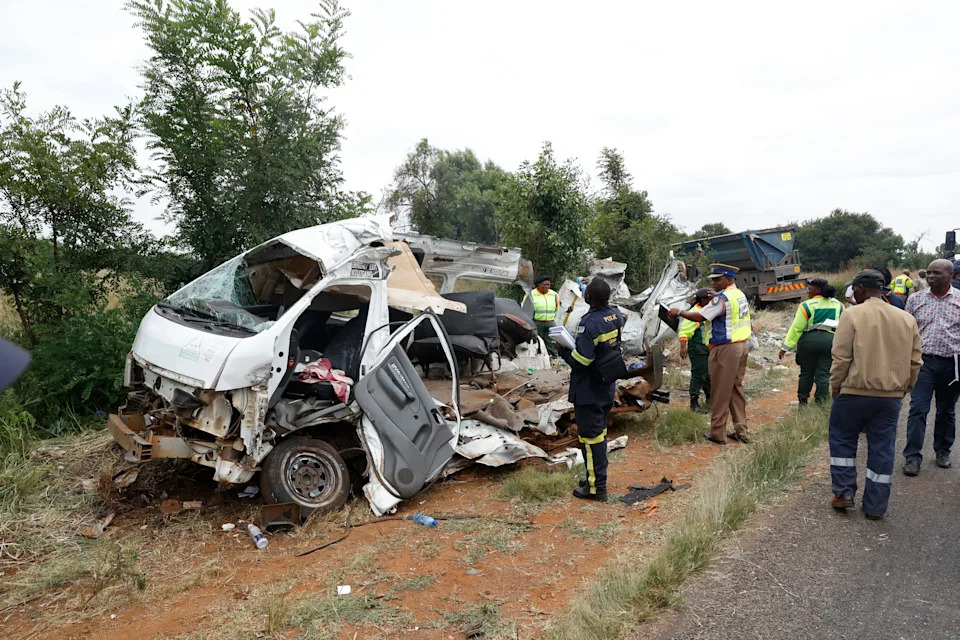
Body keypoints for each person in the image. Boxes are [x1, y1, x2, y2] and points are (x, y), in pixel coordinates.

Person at [828, 269, 922, 520]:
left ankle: (844, 493)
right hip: (890, 397)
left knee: (842, 440)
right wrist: (904, 389)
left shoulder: (851, 315)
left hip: (853, 393)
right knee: (882, 448)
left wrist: (836, 386)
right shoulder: (906, 319)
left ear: (859, 289)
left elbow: (841, 358)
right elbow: (915, 362)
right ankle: (875, 506)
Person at [557, 279, 624, 501]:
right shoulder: (616, 315)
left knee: (592, 438)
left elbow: (582, 360)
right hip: (605, 384)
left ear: (588, 298)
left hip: (589, 389)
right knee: (598, 435)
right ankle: (592, 478)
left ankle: (597, 488)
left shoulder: (590, 324)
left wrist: (562, 351)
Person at [669, 263, 752, 445]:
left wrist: (679, 312)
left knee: (720, 391)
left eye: (718, 279)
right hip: (741, 346)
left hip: (725, 348)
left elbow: (700, 317)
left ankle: (717, 433)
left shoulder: (721, 299)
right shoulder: (738, 295)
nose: (714, 283)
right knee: (736, 389)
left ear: (728, 279)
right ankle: (741, 430)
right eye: (713, 280)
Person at [901, 259, 960, 475]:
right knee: (918, 409)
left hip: (952, 364)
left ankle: (943, 451)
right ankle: (912, 456)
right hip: (923, 363)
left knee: (946, 410)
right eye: (929, 273)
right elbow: (907, 333)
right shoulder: (915, 300)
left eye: (937, 273)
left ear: (950, 275)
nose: (931, 276)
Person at [779, 279, 844, 405]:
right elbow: (843, 326)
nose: (808, 292)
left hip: (808, 341)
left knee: (806, 373)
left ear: (818, 290)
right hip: (829, 341)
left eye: (810, 289)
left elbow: (796, 328)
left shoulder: (806, 305)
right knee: (824, 374)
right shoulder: (839, 305)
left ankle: (803, 402)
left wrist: (785, 348)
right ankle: (821, 402)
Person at [678, 288, 713, 414]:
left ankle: (710, 399)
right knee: (699, 375)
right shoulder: (695, 312)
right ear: (703, 300)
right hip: (698, 347)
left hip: (707, 347)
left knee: (708, 374)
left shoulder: (707, 310)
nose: (712, 301)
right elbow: (684, 331)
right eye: (709, 299)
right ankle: (694, 403)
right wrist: (683, 347)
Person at [522, 275, 560, 357]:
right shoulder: (530, 294)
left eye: (548, 285)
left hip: (550, 323)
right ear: (539, 285)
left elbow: (556, 308)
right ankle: (538, 359)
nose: (547, 287)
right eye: (544, 285)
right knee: (537, 343)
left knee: (551, 343)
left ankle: (553, 359)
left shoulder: (554, 295)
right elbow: (525, 309)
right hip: (536, 323)